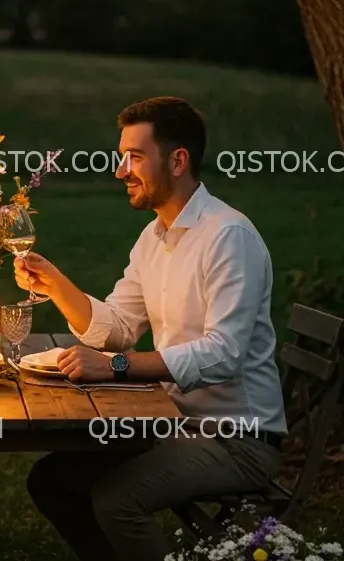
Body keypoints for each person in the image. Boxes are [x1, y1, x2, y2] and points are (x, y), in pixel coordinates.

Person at [17, 96, 286, 561]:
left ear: (178, 160)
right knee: (52, 480)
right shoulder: (156, 236)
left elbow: (223, 354)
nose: (121, 171)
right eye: (123, 156)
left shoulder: (227, 236)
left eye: (135, 157)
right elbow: (119, 326)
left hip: (235, 438)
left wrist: (116, 367)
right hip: (176, 424)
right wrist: (57, 285)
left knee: (117, 499)